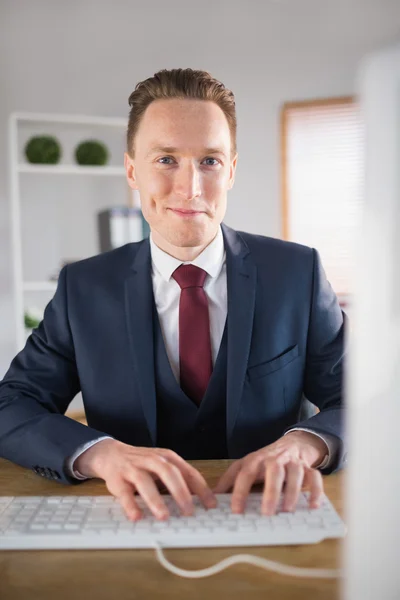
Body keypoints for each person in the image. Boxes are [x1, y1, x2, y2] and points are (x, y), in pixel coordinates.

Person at [0, 68, 346, 522]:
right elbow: (12, 406)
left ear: (232, 170)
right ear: (131, 171)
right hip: (132, 521)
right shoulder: (82, 288)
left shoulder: (297, 273)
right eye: (166, 160)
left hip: (270, 516)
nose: (190, 188)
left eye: (210, 161)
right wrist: (99, 453)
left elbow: (362, 402)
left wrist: (306, 445)